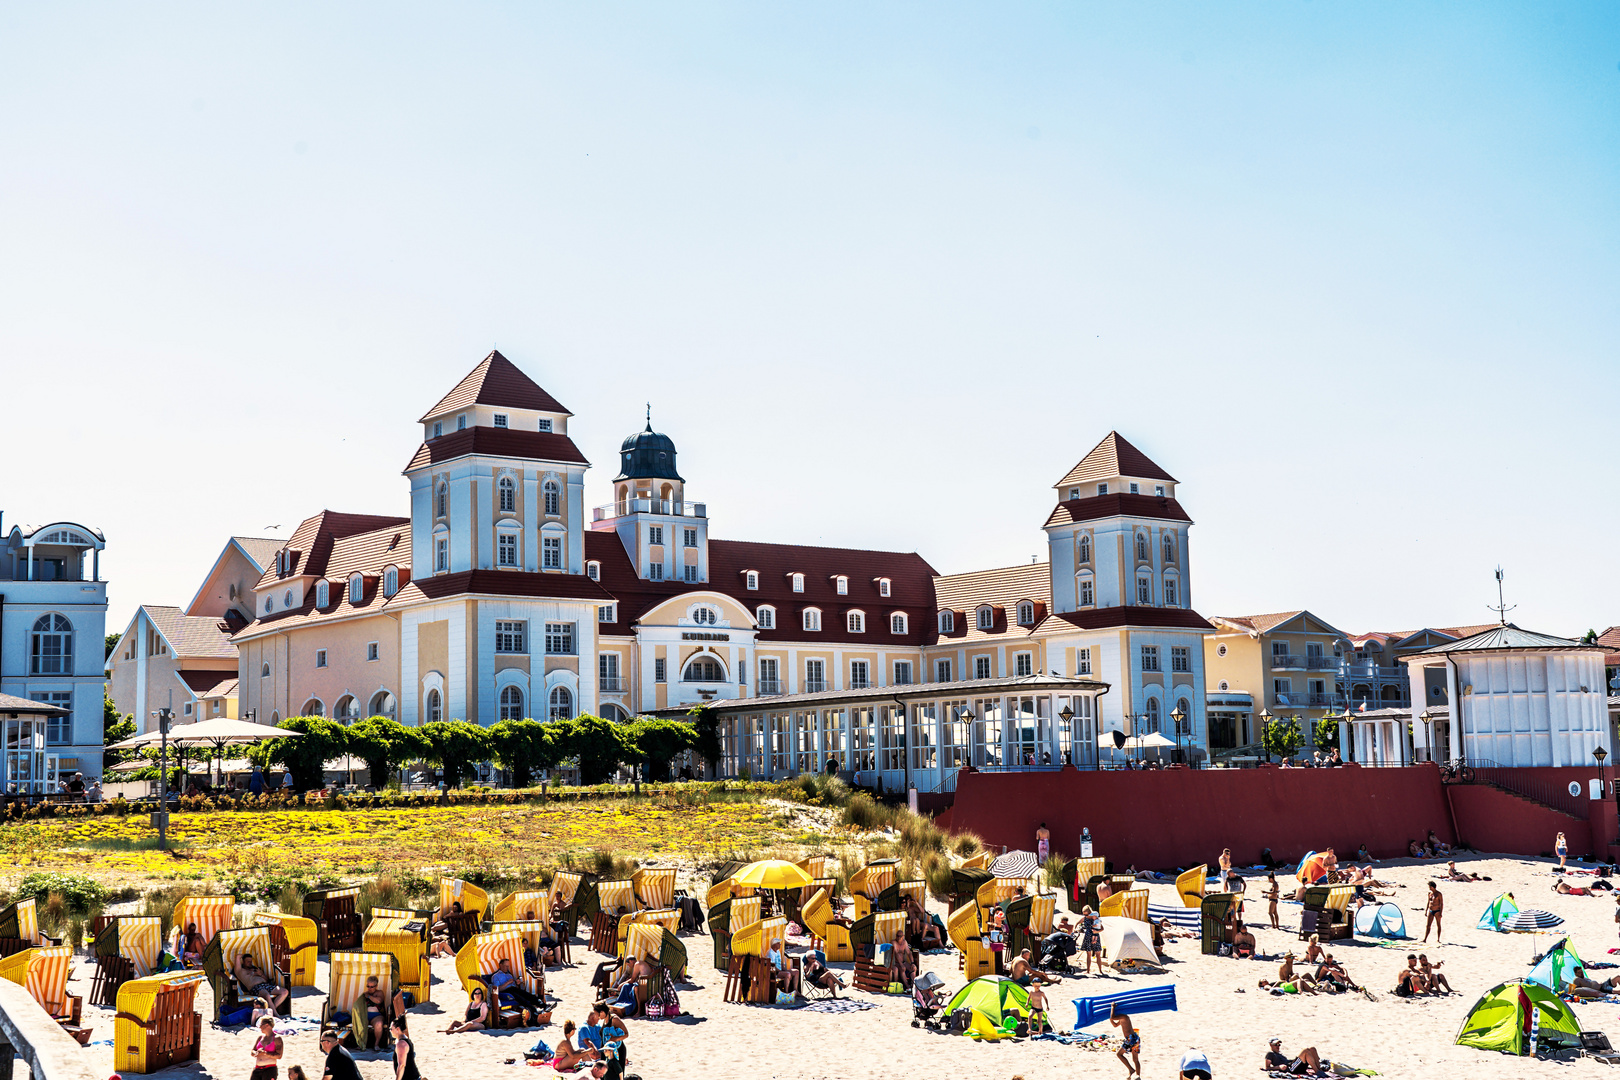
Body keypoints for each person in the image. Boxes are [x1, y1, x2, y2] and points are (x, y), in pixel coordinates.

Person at [1111, 1004, 1140, 1077]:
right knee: (1135, 1059)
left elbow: (1113, 1017)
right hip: (1135, 1037)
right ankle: (1137, 1076)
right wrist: (1110, 1019)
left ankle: (1131, 1070)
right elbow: (1115, 1025)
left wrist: (1112, 1007)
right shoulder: (1122, 1017)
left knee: (1119, 1054)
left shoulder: (1124, 1016)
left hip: (1130, 1038)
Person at [250, 1016, 283, 1080]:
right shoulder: (260, 1037)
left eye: (261, 1024)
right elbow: (252, 1051)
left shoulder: (276, 1039)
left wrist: (265, 1053)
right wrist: (256, 1053)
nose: (259, 1027)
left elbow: (279, 1056)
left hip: (269, 1069)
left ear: (267, 1025)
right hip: (257, 1068)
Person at [1080, 904, 1103, 973]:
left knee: (1098, 954)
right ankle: (1088, 970)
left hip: (1095, 934)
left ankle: (1100, 970)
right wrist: (1076, 926)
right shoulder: (1085, 918)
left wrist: (1097, 931)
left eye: (1086, 914)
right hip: (1087, 936)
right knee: (1088, 954)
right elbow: (1079, 922)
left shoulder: (1096, 918)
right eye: (1084, 915)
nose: (1085, 916)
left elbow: (1102, 928)